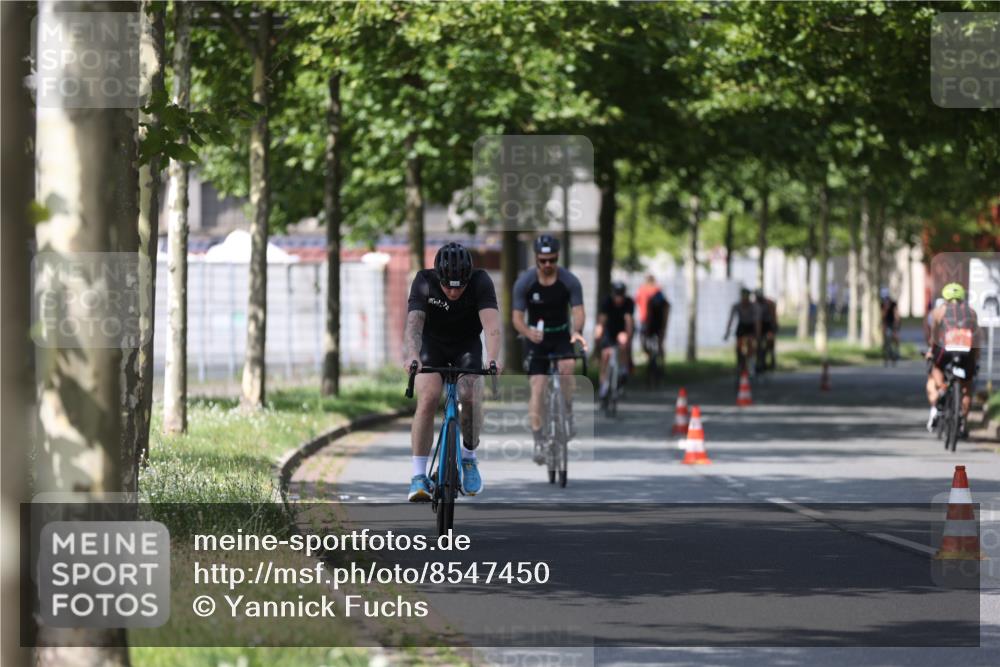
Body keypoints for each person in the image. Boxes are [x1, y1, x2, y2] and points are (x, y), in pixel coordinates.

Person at [402, 242, 502, 502]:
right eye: (448, 286)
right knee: (428, 398)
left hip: (466, 346)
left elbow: (491, 326)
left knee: (469, 395)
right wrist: (412, 355)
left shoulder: (481, 282)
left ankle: (469, 457)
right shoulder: (424, 281)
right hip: (431, 346)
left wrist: (492, 359)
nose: (454, 291)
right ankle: (418, 476)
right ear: (439, 277)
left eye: (460, 285)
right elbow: (414, 325)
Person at [512, 235, 587, 464]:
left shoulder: (569, 281)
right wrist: (527, 332)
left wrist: (577, 330)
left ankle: (567, 409)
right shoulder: (525, 282)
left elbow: (578, 310)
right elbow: (516, 317)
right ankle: (539, 439)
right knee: (538, 385)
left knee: (567, 367)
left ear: (557, 258)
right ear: (536, 258)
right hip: (536, 338)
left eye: (552, 260)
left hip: (561, 334)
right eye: (542, 260)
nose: (547, 265)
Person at [925, 283, 980, 436]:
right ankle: (962, 423)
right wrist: (975, 356)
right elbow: (977, 337)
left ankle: (942, 388)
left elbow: (934, 336)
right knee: (967, 387)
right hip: (967, 352)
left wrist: (931, 351)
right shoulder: (972, 312)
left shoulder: (939, 311)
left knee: (935, 366)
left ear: (945, 297)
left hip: (946, 350)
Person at [594, 281, 634, 401]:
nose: (619, 298)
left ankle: (623, 370)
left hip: (621, 330)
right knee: (605, 355)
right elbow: (601, 321)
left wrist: (628, 336)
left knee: (623, 343)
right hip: (609, 330)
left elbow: (629, 321)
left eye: (621, 295)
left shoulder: (628, 303)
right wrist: (598, 335)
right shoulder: (607, 302)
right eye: (617, 295)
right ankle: (603, 386)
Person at [724, 288, 761, 376]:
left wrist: (757, 334)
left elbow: (757, 322)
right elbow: (731, 320)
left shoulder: (754, 306)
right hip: (742, 326)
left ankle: (751, 365)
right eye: (743, 297)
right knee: (738, 345)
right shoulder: (736, 306)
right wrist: (727, 332)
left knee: (751, 344)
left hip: (751, 326)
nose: (744, 300)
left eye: (746, 297)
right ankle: (739, 363)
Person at [636, 275, 670, 365]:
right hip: (657, 320)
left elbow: (638, 302)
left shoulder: (641, 290)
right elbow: (666, 306)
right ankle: (662, 363)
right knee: (660, 343)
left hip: (645, 319)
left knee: (643, 339)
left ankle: (648, 355)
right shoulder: (658, 290)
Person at [754, 289, 777, 371]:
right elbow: (757, 320)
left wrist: (774, 326)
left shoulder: (769, 303)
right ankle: (759, 362)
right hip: (759, 323)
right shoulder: (755, 304)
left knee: (770, 342)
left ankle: (772, 360)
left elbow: (773, 316)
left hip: (768, 324)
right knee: (758, 343)